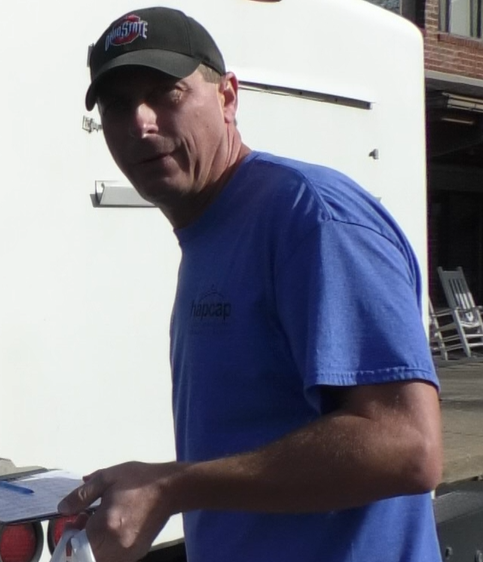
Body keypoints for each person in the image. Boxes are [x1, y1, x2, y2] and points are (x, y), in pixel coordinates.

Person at [55, 7, 443, 562]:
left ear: (228, 96)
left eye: (167, 93)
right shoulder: (208, 230)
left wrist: (173, 486)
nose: (141, 122)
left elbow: (409, 447)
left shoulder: (310, 217)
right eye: (118, 105)